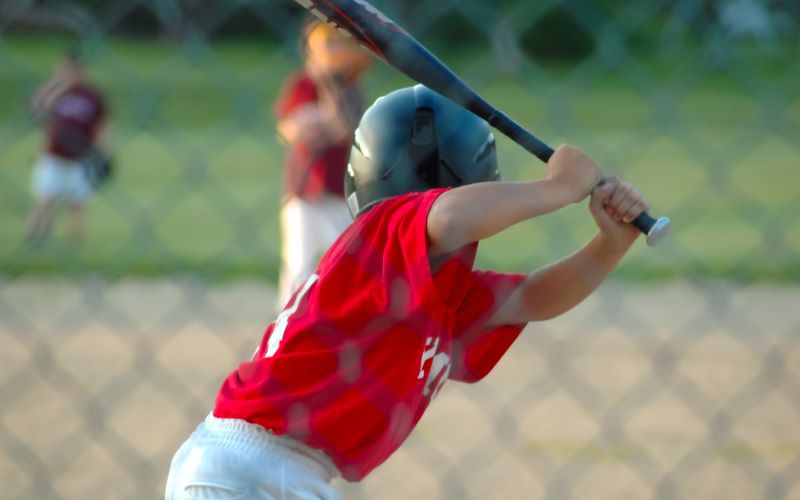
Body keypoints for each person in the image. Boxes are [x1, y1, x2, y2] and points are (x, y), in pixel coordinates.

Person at [165, 85, 653, 499]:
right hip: (245, 466)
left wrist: (611, 243)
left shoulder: (448, 295)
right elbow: (449, 217)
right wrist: (558, 189)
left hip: (286, 474)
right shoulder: (378, 235)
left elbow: (532, 297)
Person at [274, 20, 372, 312]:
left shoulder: (350, 87)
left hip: (338, 191)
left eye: (338, 43)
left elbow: (340, 129)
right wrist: (309, 122)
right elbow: (290, 129)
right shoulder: (303, 83)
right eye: (327, 44)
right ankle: (287, 323)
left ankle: (340, 320)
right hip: (302, 189)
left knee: (343, 261)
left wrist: (329, 87)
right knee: (298, 262)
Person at [26, 48, 108, 245]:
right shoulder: (54, 92)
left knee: (78, 203)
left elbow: (102, 124)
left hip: (80, 158)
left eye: (74, 70)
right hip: (53, 156)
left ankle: (73, 245)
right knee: (44, 200)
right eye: (65, 69)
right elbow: (37, 108)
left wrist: (104, 152)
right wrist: (60, 85)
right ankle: (35, 239)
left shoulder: (92, 96)